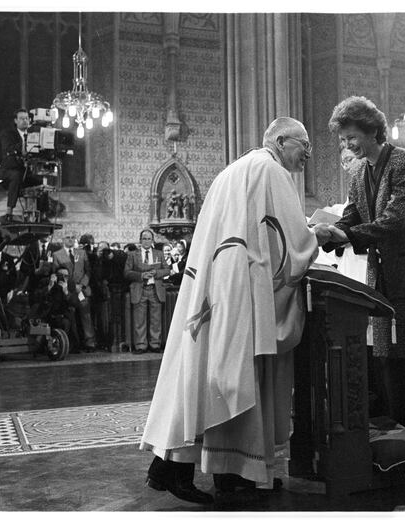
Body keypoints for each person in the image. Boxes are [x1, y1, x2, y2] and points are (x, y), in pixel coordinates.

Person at [139, 117, 326, 504]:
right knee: (237, 377)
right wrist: (318, 235)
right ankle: (224, 473)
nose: (307, 154)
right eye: (302, 145)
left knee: (209, 375)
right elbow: (291, 241)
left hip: (218, 288)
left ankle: (218, 473)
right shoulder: (271, 170)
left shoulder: (235, 169)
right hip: (244, 295)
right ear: (279, 140)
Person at [323, 95, 405, 430]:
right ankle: (394, 426)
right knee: (385, 353)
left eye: (352, 137)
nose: (347, 145)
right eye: (343, 140)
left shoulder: (404, 162)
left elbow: (396, 219)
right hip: (381, 274)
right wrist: (329, 231)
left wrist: (346, 236)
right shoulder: (359, 172)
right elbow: (351, 215)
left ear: (373, 131)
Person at [124, 229, 168, 354]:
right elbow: (126, 273)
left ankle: (155, 344)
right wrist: (141, 275)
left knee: (156, 319)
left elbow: (167, 270)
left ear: (152, 240)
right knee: (139, 319)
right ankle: (140, 345)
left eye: (149, 239)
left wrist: (157, 273)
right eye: (144, 238)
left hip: (155, 290)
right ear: (140, 240)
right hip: (140, 289)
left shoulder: (159, 253)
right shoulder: (132, 254)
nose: (147, 241)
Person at [51, 232, 97, 352]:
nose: (70, 240)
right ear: (63, 239)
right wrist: (68, 286)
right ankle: (73, 343)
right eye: (68, 237)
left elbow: (88, 271)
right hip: (67, 291)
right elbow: (56, 272)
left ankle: (90, 342)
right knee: (69, 315)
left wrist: (81, 285)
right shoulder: (57, 255)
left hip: (81, 290)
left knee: (85, 312)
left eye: (72, 238)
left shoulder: (81, 253)